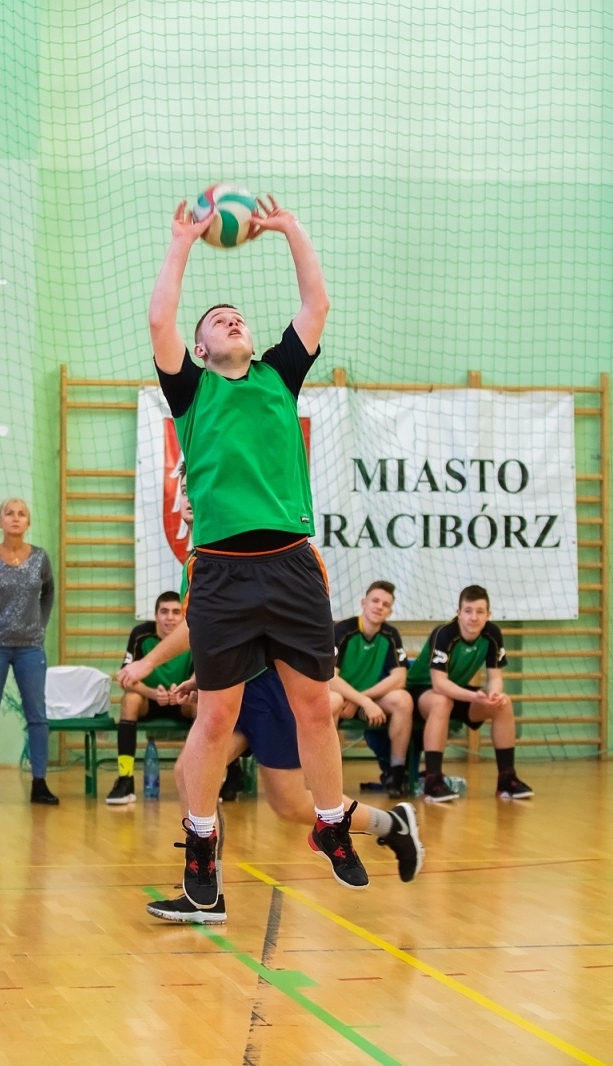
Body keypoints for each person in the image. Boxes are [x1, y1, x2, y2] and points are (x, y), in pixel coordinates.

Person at [149, 192, 361, 910]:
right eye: (217, 321)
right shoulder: (192, 391)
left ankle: (332, 825)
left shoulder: (278, 374)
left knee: (315, 708)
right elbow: (160, 320)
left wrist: (292, 229)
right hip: (223, 573)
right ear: (203, 349)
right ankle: (202, 845)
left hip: (293, 562)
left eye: (237, 316)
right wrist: (182, 242)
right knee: (214, 717)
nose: (231, 321)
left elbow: (317, 302)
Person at [118, 571, 421, 924]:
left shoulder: (234, 551)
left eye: (194, 508)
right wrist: (201, 679)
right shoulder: (202, 553)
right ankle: (207, 894)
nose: (190, 510)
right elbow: (223, 634)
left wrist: (148, 661)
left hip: (270, 691)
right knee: (189, 773)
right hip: (236, 689)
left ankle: (392, 824)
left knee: (290, 804)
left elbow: (204, 624)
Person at [0, 498, 57, 807]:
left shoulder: (40, 558)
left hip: (30, 648)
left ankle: (40, 783)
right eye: (9, 513)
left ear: (28, 522)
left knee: (37, 716)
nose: (15, 518)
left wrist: (40, 625)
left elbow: (49, 591)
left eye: (22, 514)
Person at [405, 584, 533, 803]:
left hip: (457, 693)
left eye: (480, 611)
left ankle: (506, 780)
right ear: (458, 613)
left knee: (503, 703)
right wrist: (475, 696)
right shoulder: (444, 634)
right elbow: (439, 684)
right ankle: (433, 781)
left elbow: (495, 677)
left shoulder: (492, 633)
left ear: (488, 614)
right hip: (421, 691)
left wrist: (493, 694)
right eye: (468, 611)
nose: (474, 617)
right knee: (442, 701)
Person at [106, 591, 195, 805]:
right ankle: (125, 779)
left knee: (203, 705)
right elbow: (125, 678)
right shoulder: (141, 635)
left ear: (183, 616)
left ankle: (198, 780)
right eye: (164, 612)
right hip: (150, 699)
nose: (170, 618)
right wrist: (153, 693)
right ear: (155, 616)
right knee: (129, 700)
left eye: (176, 612)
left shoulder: (192, 636)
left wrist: (182, 692)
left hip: (182, 698)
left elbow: (201, 674)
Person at [328, 581, 413, 799]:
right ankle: (327, 776)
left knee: (403, 699)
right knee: (332, 700)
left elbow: (399, 678)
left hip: (366, 700)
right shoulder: (342, 631)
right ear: (363, 603)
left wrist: (362, 700)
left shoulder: (390, 635)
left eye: (385, 604)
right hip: (341, 696)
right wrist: (361, 701)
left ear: (390, 611)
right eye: (375, 601)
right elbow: (330, 677)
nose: (379, 607)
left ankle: (396, 772)